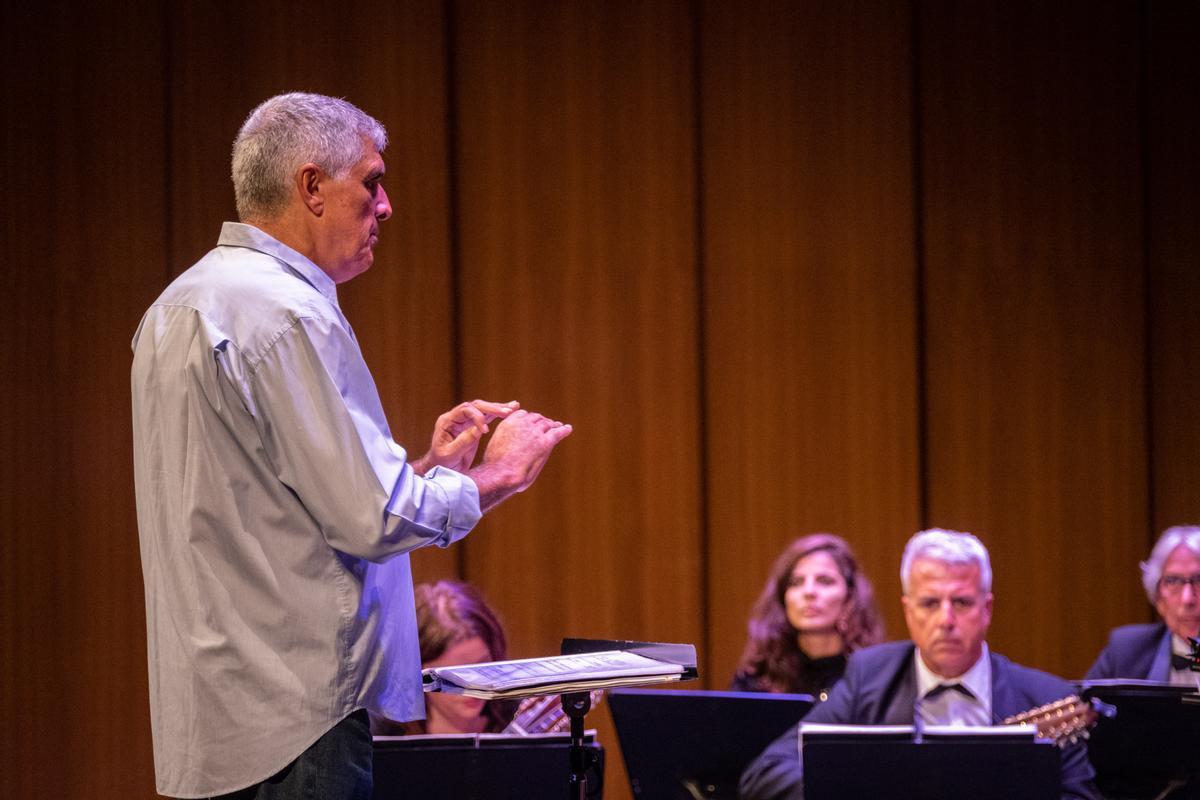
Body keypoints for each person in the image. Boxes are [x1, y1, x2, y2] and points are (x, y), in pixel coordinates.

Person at [130, 92, 572, 800]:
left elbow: (276, 503)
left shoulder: (177, 306)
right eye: (371, 180)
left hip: (216, 715)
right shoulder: (288, 310)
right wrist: (498, 475)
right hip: (296, 715)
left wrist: (427, 470)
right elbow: (373, 520)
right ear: (311, 186)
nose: (387, 205)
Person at [739, 529, 1098, 800]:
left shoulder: (1047, 697)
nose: (945, 620)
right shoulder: (870, 679)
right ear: (908, 611)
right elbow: (766, 773)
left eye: (961, 602)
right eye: (929, 603)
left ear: (986, 609)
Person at [731, 534, 885, 702]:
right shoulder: (756, 679)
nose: (809, 592)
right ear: (783, 598)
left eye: (824, 581)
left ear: (850, 596)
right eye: (796, 582)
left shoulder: (875, 676)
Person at [372, 580, 517, 735]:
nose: (473, 685)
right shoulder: (380, 732)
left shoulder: (522, 716)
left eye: (482, 665)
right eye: (454, 674)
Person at [1086, 525, 1200, 685]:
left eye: (1199, 580)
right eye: (1173, 581)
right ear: (1159, 598)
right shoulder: (1126, 651)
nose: (1188, 599)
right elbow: (1081, 705)